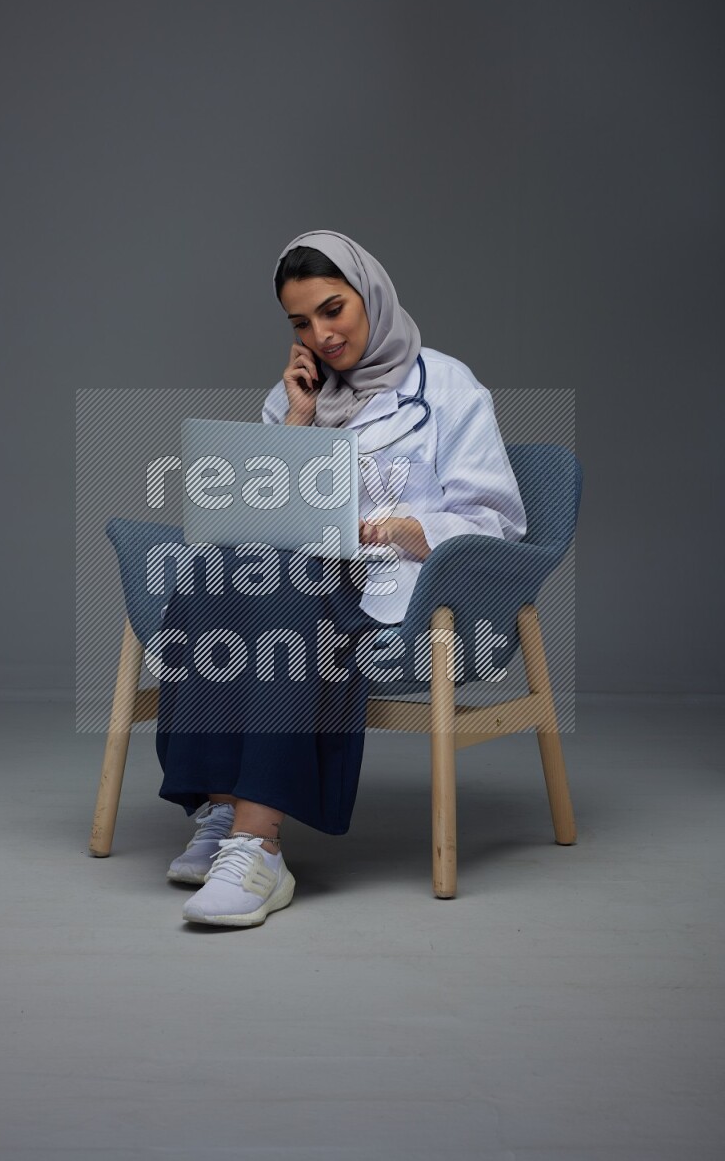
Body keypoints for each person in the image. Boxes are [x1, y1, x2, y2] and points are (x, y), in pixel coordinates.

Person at [156, 229, 527, 928]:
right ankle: (222, 808)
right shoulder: (294, 396)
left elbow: (496, 519)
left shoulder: (448, 386)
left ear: (371, 297)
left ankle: (258, 846)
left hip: (403, 592)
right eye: (301, 323)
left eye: (334, 310)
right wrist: (300, 418)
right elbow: (261, 512)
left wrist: (398, 528)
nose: (322, 336)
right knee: (208, 573)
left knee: (285, 589)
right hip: (305, 574)